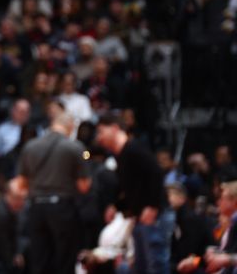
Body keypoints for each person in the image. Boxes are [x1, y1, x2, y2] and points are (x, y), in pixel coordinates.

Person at [96, 112, 174, 274]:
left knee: (155, 266)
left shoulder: (134, 148)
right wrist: (116, 206)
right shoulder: (122, 155)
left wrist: (152, 206)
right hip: (140, 217)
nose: (99, 137)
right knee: (141, 267)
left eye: (102, 131)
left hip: (154, 216)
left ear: (115, 128)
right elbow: (130, 187)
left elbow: (156, 173)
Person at [17, 113, 91, 274]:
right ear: (71, 126)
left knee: (40, 259)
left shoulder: (30, 146)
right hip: (62, 208)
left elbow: (21, 184)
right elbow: (84, 186)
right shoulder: (76, 147)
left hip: (36, 208)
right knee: (64, 259)